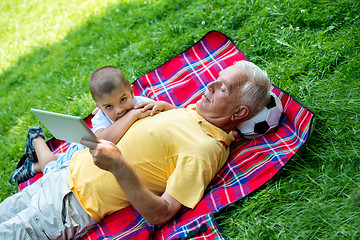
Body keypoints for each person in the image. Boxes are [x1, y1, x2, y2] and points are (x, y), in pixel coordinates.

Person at [0, 61, 271, 239]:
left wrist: (119, 166)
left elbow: (162, 213)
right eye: (216, 79)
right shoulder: (192, 112)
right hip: (60, 176)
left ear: (240, 112)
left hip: (68, 207)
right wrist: (170, 109)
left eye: (221, 87)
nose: (209, 84)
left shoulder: (204, 150)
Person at [8, 66, 176, 184]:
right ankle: (36, 138)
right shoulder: (101, 119)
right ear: (99, 107)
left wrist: (164, 105)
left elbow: (176, 115)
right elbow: (103, 140)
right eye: (109, 106)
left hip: (95, 152)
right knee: (52, 171)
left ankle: (33, 166)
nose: (118, 110)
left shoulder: (142, 103)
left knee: (53, 162)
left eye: (123, 100)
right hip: (84, 151)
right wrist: (132, 115)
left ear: (132, 92)